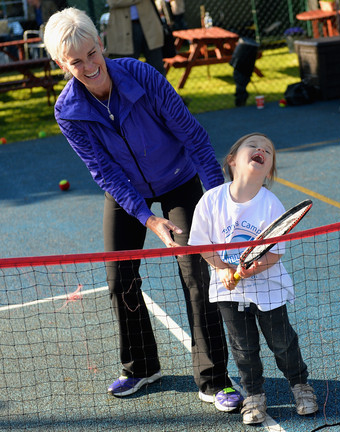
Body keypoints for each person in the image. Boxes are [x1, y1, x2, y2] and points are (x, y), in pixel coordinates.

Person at [43, 8, 243, 412]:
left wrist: (218, 203)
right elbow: (103, 170)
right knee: (120, 276)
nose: (88, 66)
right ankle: (141, 366)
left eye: (91, 54)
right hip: (126, 189)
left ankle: (214, 378)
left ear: (101, 43)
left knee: (195, 269)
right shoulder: (67, 110)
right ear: (61, 65)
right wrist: (147, 218)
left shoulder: (144, 76)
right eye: (75, 62)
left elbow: (196, 140)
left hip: (178, 178)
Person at [188, 133, 318, 425]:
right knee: (243, 347)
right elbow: (202, 246)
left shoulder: (271, 204)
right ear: (232, 161)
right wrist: (221, 269)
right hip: (228, 292)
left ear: (268, 170)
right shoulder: (211, 201)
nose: (262, 149)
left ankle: (300, 385)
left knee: (283, 342)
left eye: (268, 151)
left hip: (268, 289)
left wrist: (254, 267)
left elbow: (275, 253)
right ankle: (254, 395)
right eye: (254, 146)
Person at [104, 0, 165, 75]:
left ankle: (160, 86)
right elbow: (113, 2)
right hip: (124, 30)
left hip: (150, 26)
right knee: (129, 69)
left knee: (157, 66)